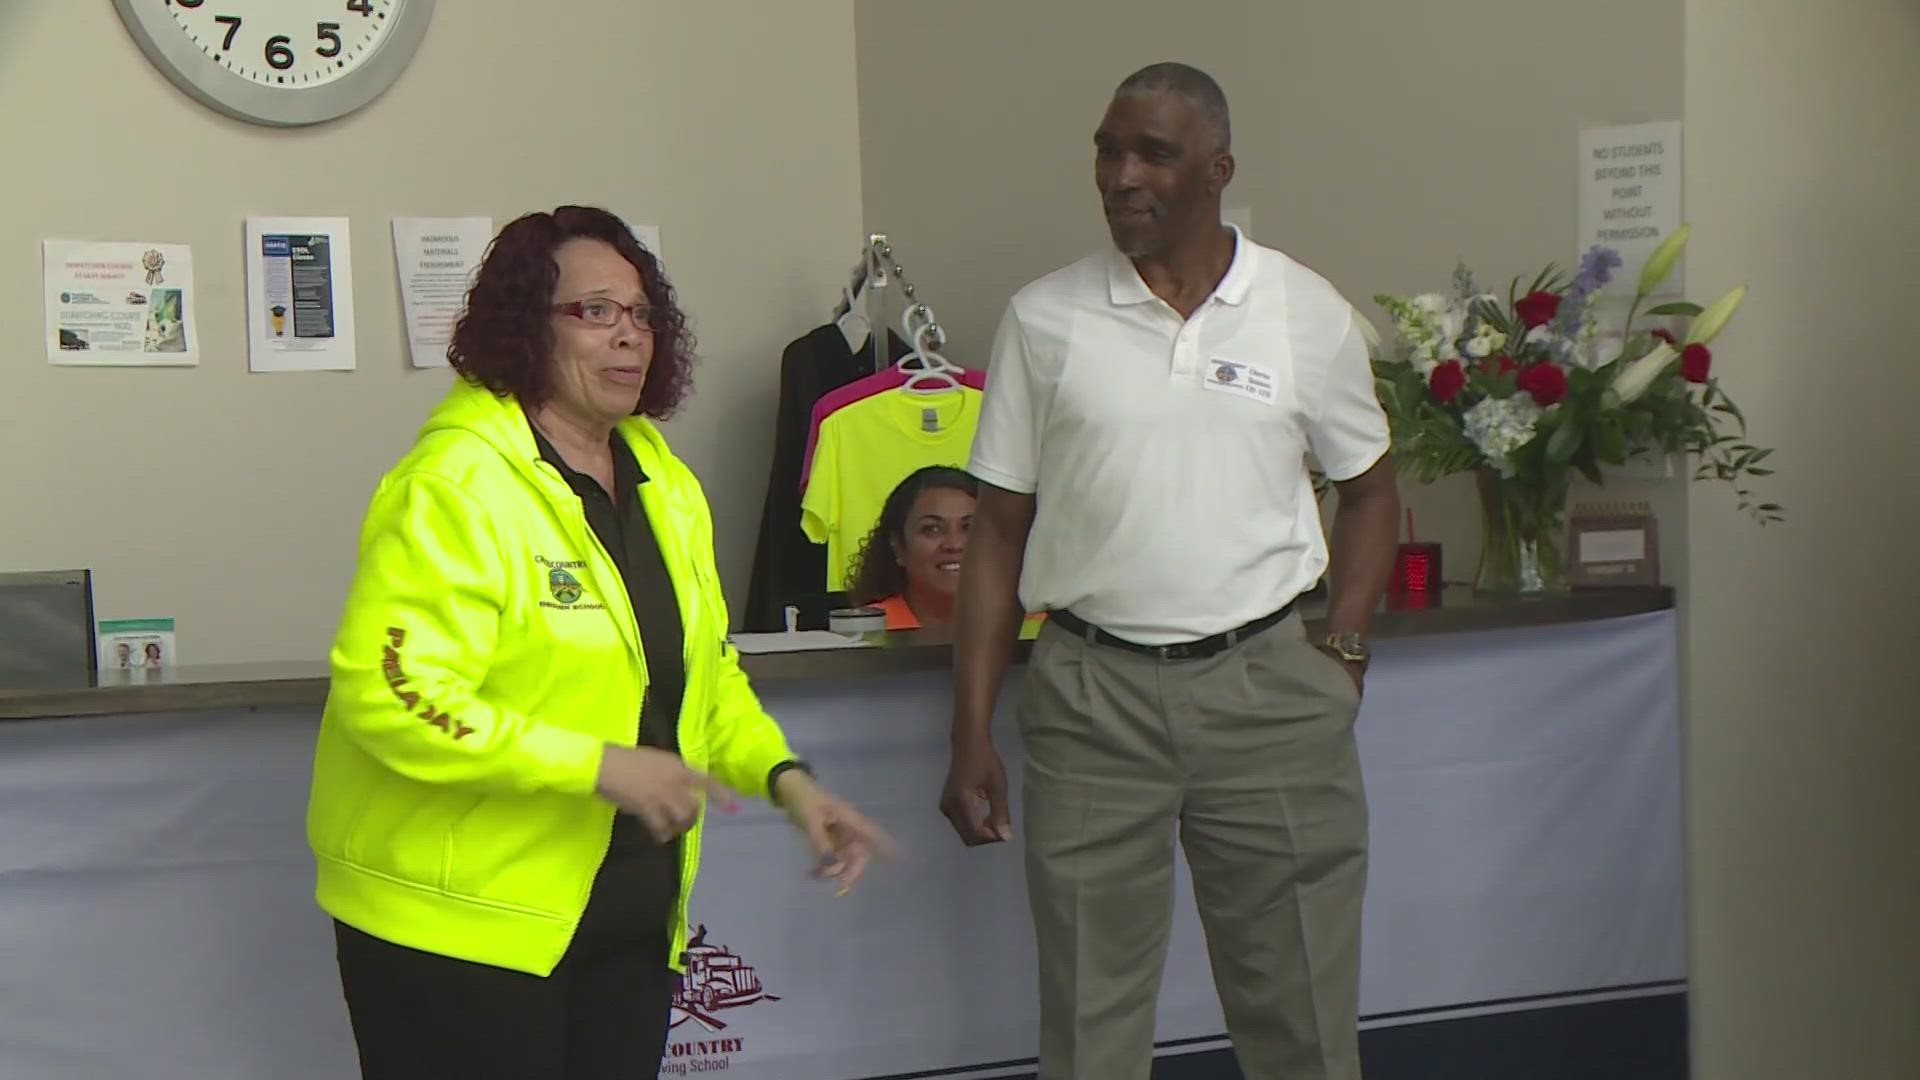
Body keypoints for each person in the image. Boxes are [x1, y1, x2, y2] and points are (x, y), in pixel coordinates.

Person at [306, 205, 896, 1080]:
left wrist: (787, 779)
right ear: (525, 330)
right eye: (595, 312)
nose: (629, 337)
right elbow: (390, 695)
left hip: (625, 920)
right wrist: (599, 765)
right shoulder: (454, 488)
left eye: (641, 314)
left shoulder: (664, 482)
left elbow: (704, 677)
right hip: (462, 930)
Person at [939, 64, 1401, 1080]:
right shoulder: (1044, 319)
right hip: (1092, 697)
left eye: (1154, 152)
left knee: (1302, 1020)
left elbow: (1372, 493)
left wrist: (1346, 648)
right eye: (1108, 149)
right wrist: (970, 729)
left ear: (1220, 170)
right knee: (1090, 1027)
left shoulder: (1302, 310)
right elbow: (997, 535)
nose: (1121, 175)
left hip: (1268, 691)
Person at [845, 465, 977, 631]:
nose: (954, 544)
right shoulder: (864, 632)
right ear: (898, 546)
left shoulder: (1019, 627)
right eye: (932, 529)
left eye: (970, 527)